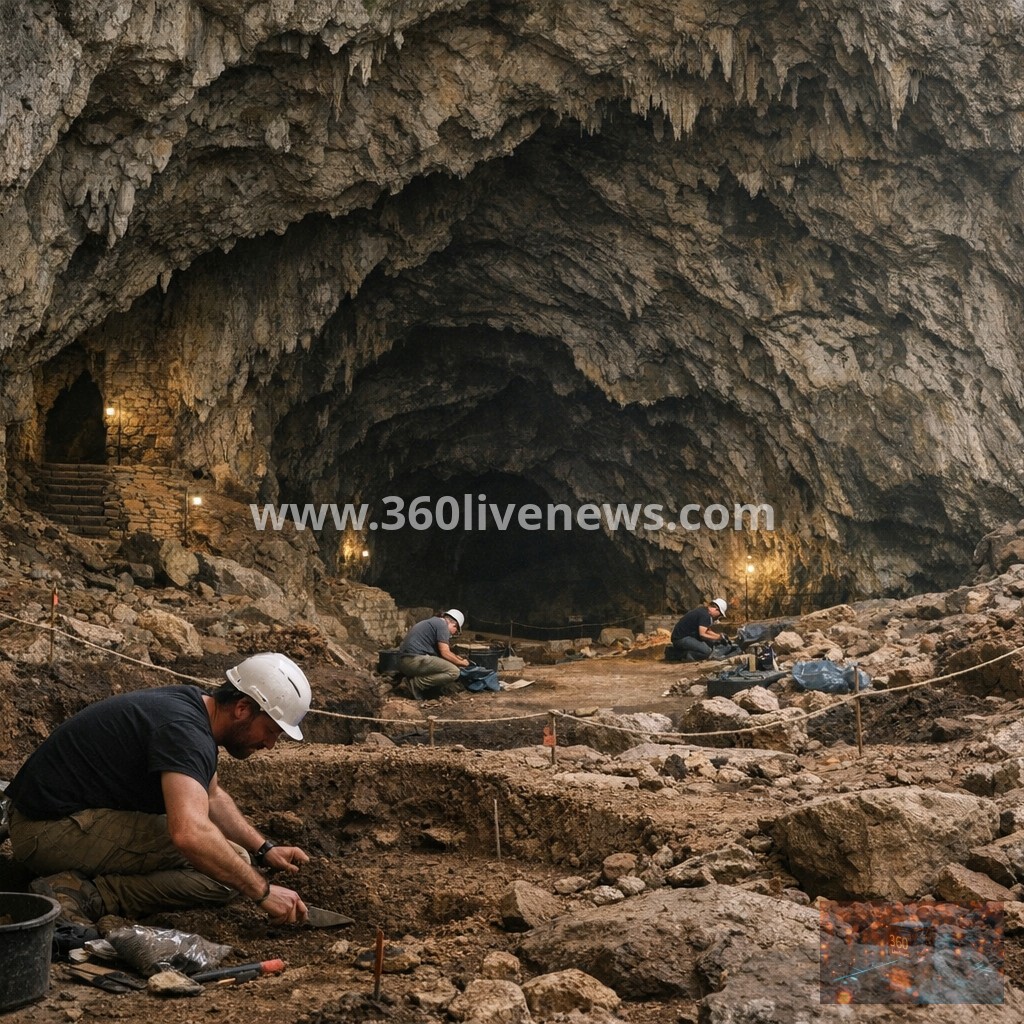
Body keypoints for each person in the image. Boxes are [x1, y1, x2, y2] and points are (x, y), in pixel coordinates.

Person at [5, 652, 313, 927]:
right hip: (46, 832)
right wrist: (263, 892)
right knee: (229, 876)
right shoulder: (185, 732)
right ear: (243, 708)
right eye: (270, 731)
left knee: (234, 860)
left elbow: (213, 796)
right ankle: (88, 892)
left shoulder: (194, 710)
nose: (270, 744)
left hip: (54, 818)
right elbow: (189, 834)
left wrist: (265, 848)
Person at [397, 608, 470, 698]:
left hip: (405, 662)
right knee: (454, 671)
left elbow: (440, 654)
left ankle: (413, 681)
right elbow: (445, 653)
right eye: (456, 630)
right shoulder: (442, 625)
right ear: (454, 624)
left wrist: (455, 658)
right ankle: (414, 684)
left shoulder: (434, 622)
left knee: (446, 666)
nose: (454, 633)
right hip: (414, 660)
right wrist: (462, 662)